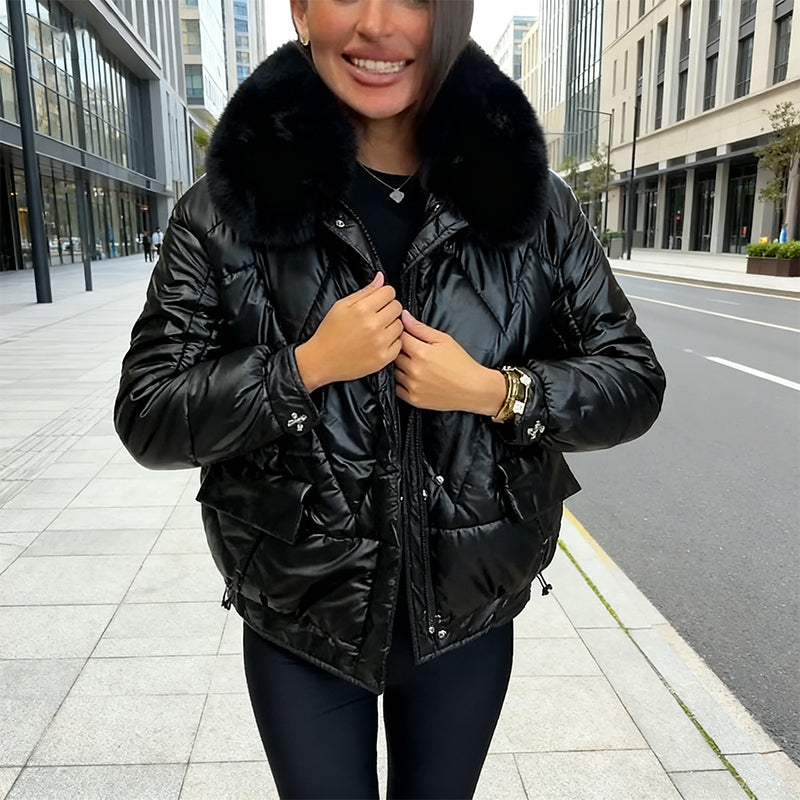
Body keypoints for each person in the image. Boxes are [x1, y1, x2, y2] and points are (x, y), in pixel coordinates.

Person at [114, 1, 665, 797]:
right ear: (302, 11)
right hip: (303, 619)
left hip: (466, 621)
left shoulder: (531, 203)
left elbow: (633, 380)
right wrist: (303, 368)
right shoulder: (223, 211)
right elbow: (148, 412)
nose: (377, 25)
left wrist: (495, 390)